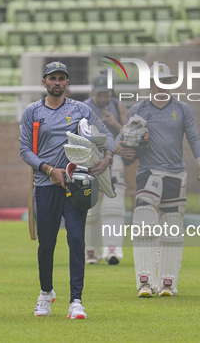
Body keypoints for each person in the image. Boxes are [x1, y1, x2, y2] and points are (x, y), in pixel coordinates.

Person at [20, 61, 115, 319]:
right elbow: (25, 150)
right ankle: (46, 293)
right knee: (47, 244)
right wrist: (50, 170)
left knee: (76, 239)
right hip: (45, 185)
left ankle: (76, 300)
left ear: (67, 83)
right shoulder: (33, 111)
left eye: (62, 78)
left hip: (76, 184)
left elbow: (107, 135)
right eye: (53, 78)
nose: (57, 82)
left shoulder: (81, 109)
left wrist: (106, 158)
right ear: (44, 82)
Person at [115, 63, 200, 298]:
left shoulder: (182, 109)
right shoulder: (139, 109)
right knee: (144, 222)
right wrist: (118, 148)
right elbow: (121, 139)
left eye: (167, 81)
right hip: (148, 172)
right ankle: (145, 283)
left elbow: (194, 138)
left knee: (171, 227)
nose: (162, 85)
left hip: (175, 174)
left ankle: (168, 283)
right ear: (150, 83)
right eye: (157, 81)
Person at [83, 73, 128, 265]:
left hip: (113, 159)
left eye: (106, 94)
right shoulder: (84, 107)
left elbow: (128, 133)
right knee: (89, 208)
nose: (103, 98)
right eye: (100, 94)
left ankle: (113, 249)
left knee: (114, 206)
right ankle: (91, 250)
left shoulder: (118, 105)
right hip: (89, 159)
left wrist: (114, 124)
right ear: (94, 92)